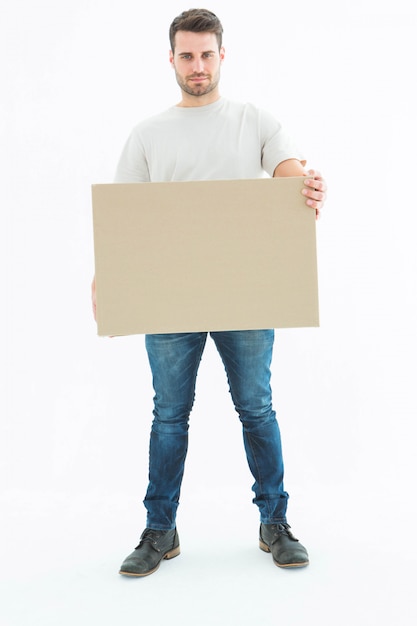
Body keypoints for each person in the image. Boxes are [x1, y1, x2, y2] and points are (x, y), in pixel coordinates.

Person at [91, 8, 327, 577]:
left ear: (223, 56)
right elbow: (125, 219)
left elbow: (291, 180)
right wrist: (108, 280)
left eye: (207, 54)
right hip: (170, 297)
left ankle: (275, 522)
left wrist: (309, 187)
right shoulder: (147, 134)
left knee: (257, 407)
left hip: (244, 293)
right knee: (169, 414)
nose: (198, 65)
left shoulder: (255, 121)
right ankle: (160, 530)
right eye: (187, 55)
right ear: (171, 60)